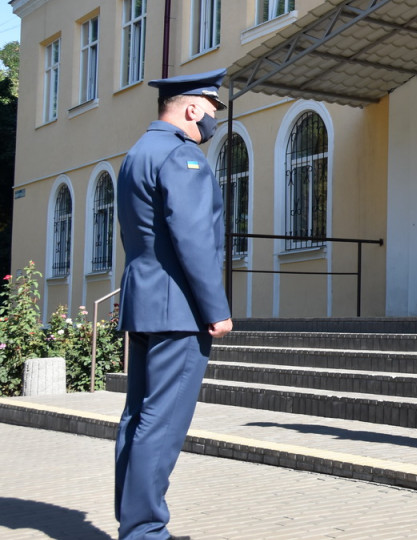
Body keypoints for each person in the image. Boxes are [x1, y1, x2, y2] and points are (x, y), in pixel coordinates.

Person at [114, 68, 233, 539]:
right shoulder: (181, 157)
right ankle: (144, 530)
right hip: (178, 309)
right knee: (161, 423)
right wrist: (216, 308)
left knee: (138, 417)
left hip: (144, 301)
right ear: (190, 108)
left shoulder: (136, 154)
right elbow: (193, 239)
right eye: (210, 112)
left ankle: (134, 523)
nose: (211, 122)